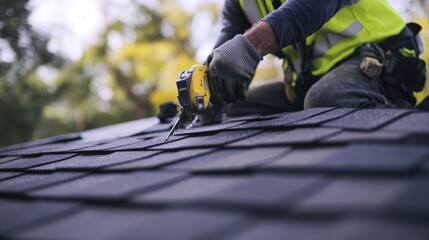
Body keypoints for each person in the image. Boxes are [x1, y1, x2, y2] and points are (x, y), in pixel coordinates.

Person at [203, 0, 427, 122]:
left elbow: (309, 7)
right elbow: (226, 55)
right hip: (314, 80)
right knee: (236, 108)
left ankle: (412, 121)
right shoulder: (239, 3)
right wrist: (209, 92)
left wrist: (251, 44)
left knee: (326, 98)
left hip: (380, 59)